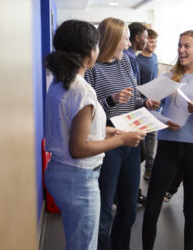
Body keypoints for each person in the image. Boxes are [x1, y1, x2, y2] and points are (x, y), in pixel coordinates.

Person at [44, 20, 145, 250]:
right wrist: (120, 139)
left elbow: (70, 126)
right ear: (90, 51)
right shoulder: (82, 90)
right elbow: (78, 148)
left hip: (61, 173)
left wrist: (109, 130)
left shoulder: (61, 81)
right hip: (79, 177)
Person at [84, 17, 159, 250]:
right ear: (114, 39)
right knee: (105, 211)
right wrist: (112, 99)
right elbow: (91, 112)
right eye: (126, 39)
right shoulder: (91, 70)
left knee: (128, 210)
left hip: (131, 143)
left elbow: (133, 96)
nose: (129, 44)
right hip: (107, 144)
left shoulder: (125, 63)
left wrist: (145, 102)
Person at [142, 30, 193, 250]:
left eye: (187, 46)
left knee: (191, 209)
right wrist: (165, 120)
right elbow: (151, 111)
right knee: (152, 206)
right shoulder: (168, 77)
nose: (181, 50)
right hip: (167, 147)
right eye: (179, 45)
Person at [123, 22, 149, 207]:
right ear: (137, 38)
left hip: (135, 107)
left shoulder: (132, 56)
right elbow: (132, 88)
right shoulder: (128, 57)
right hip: (130, 113)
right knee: (138, 153)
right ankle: (126, 193)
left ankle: (130, 193)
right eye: (146, 38)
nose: (147, 42)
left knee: (139, 153)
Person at [136, 28, 159, 181]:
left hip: (154, 104)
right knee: (141, 141)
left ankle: (149, 170)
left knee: (152, 138)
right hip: (141, 105)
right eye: (151, 41)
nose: (154, 44)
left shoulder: (155, 57)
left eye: (156, 42)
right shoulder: (137, 60)